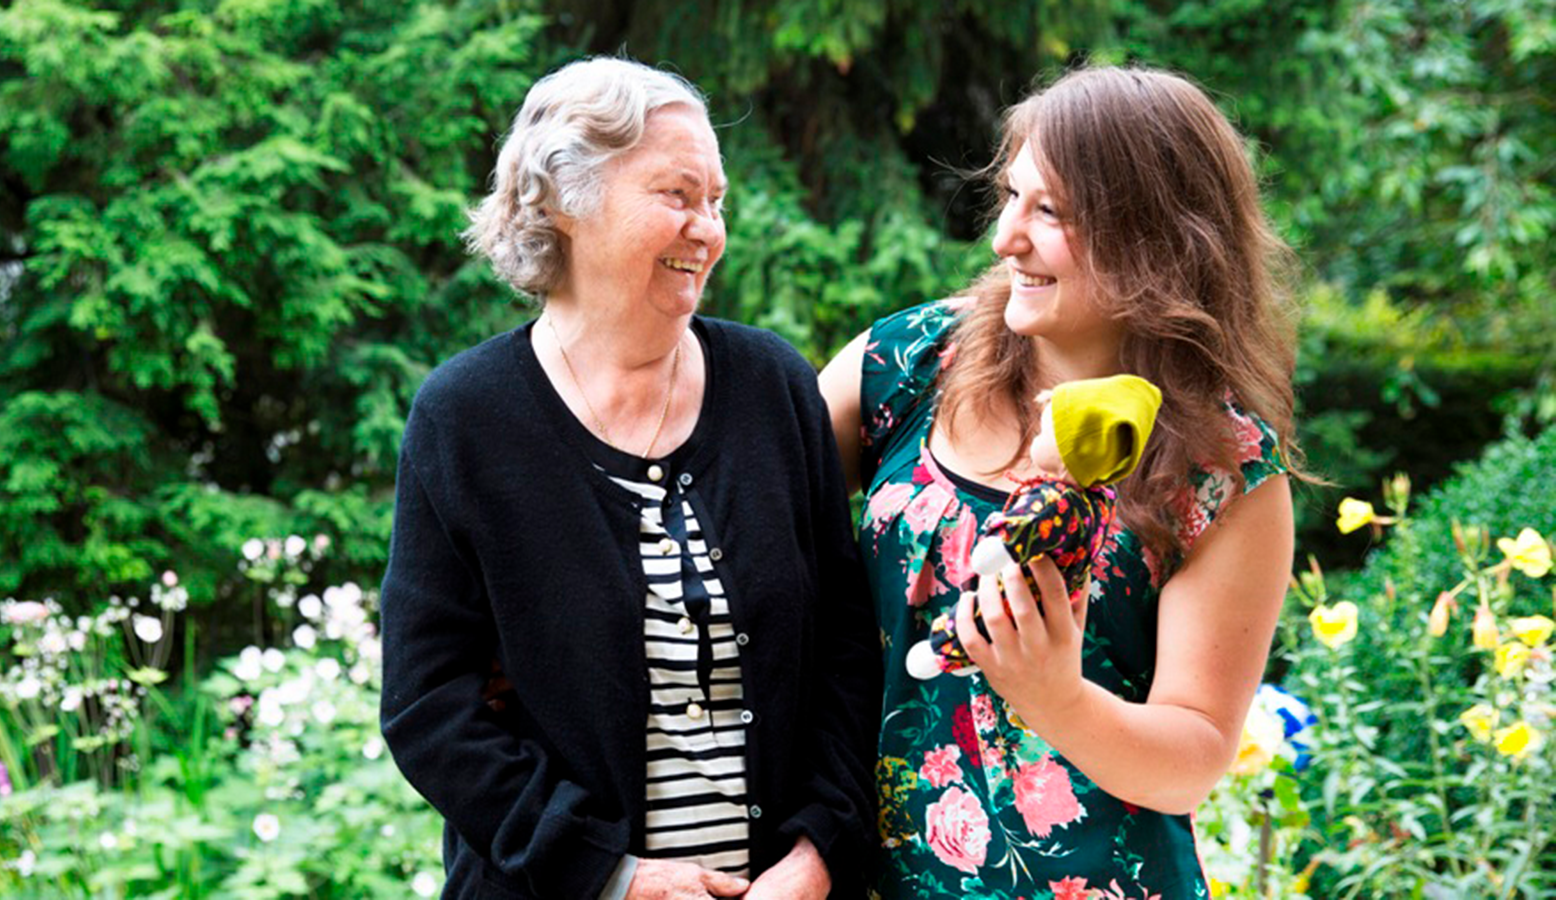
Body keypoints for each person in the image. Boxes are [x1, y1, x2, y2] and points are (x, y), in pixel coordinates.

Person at [380, 57, 879, 900]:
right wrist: (610, 875)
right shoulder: (466, 417)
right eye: (677, 196)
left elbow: (842, 646)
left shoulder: (772, 385)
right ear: (561, 202)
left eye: (715, 202)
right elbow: (429, 707)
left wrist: (819, 849)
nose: (707, 229)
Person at [819, 66, 1300, 898]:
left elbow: (1190, 758)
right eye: (1010, 197)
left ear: (1155, 239)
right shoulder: (906, 363)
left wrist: (1057, 699)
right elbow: (741, 520)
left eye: (1049, 212)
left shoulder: (1224, 468)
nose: (1007, 237)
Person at [906, 374, 1163, 681]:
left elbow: (1026, 525)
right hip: (1059, 594)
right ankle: (970, 654)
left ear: (1072, 451)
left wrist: (1000, 544)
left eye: (1044, 433)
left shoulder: (1056, 500)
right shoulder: (1100, 500)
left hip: (1027, 584)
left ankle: (940, 652)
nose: (1036, 438)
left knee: (984, 610)